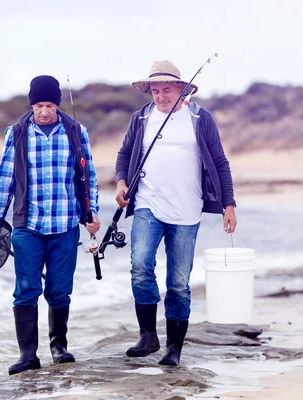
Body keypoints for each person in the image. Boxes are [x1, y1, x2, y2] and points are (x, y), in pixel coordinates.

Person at [115, 60, 237, 366]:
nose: (159, 96)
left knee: (179, 283)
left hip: (187, 210)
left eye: (166, 90)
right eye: (155, 90)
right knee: (141, 264)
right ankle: (147, 336)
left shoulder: (199, 118)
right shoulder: (142, 117)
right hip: (147, 202)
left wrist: (228, 205)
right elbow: (125, 153)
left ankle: (174, 349)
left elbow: (220, 162)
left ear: (181, 88)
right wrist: (120, 182)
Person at [0, 75, 101, 375]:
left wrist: (92, 213)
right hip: (28, 225)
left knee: (60, 290)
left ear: (57, 104)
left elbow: (88, 177)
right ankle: (28, 355)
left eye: (50, 105)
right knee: (26, 289)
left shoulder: (77, 132)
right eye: (39, 105)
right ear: (32, 104)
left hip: (65, 225)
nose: (44, 111)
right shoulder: (17, 133)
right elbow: (4, 179)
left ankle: (59, 347)